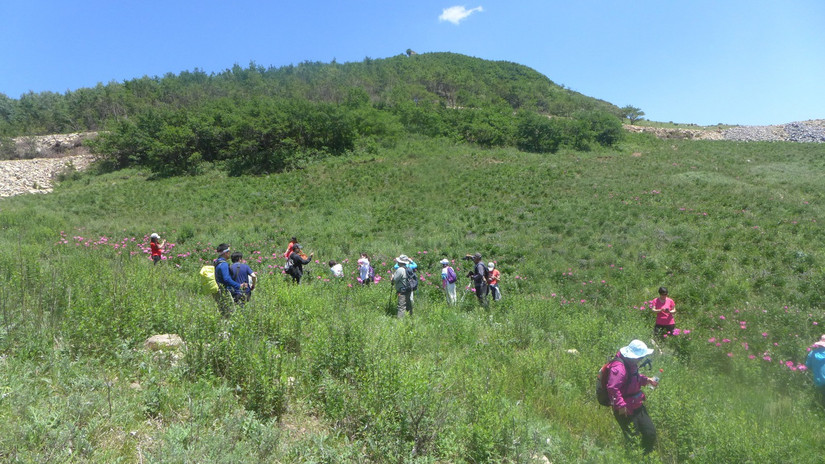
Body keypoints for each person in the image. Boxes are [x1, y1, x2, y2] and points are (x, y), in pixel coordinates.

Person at [606, 339, 659, 455]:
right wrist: (621, 405)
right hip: (624, 409)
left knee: (650, 433)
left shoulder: (631, 364)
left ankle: (646, 457)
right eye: (640, 357)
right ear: (633, 356)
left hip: (637, 404)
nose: (642, 359)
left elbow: (634, 378)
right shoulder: (619, 368)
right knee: (633, 439)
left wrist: (647, 380)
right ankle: (633, 458)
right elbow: (612, 388)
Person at [213, 244, 248, 316]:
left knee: (223, 312)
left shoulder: (217, 262)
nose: (230, 253)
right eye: (229, 251)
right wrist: (239, 285)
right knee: (230, 313)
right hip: (223, 291)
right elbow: (226, 279)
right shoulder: (223, 264)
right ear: (226, 253)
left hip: (218, 290)